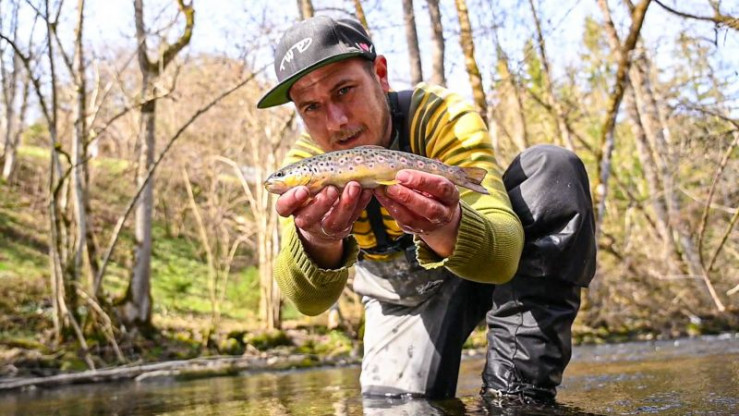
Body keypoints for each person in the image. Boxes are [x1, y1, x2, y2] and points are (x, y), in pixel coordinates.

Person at [257, 15, 596, 404]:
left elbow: (502, 260)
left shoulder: (440, 116)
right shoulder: (306, 163)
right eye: (311, 107)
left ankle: (517, 398)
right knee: (399, 407)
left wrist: (446, 225)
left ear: (380, 75)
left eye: (344, 90)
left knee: (552, 170)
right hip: (403, 300)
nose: (336, 122)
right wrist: (318, 239)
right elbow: (308, 301)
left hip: (487, 264)